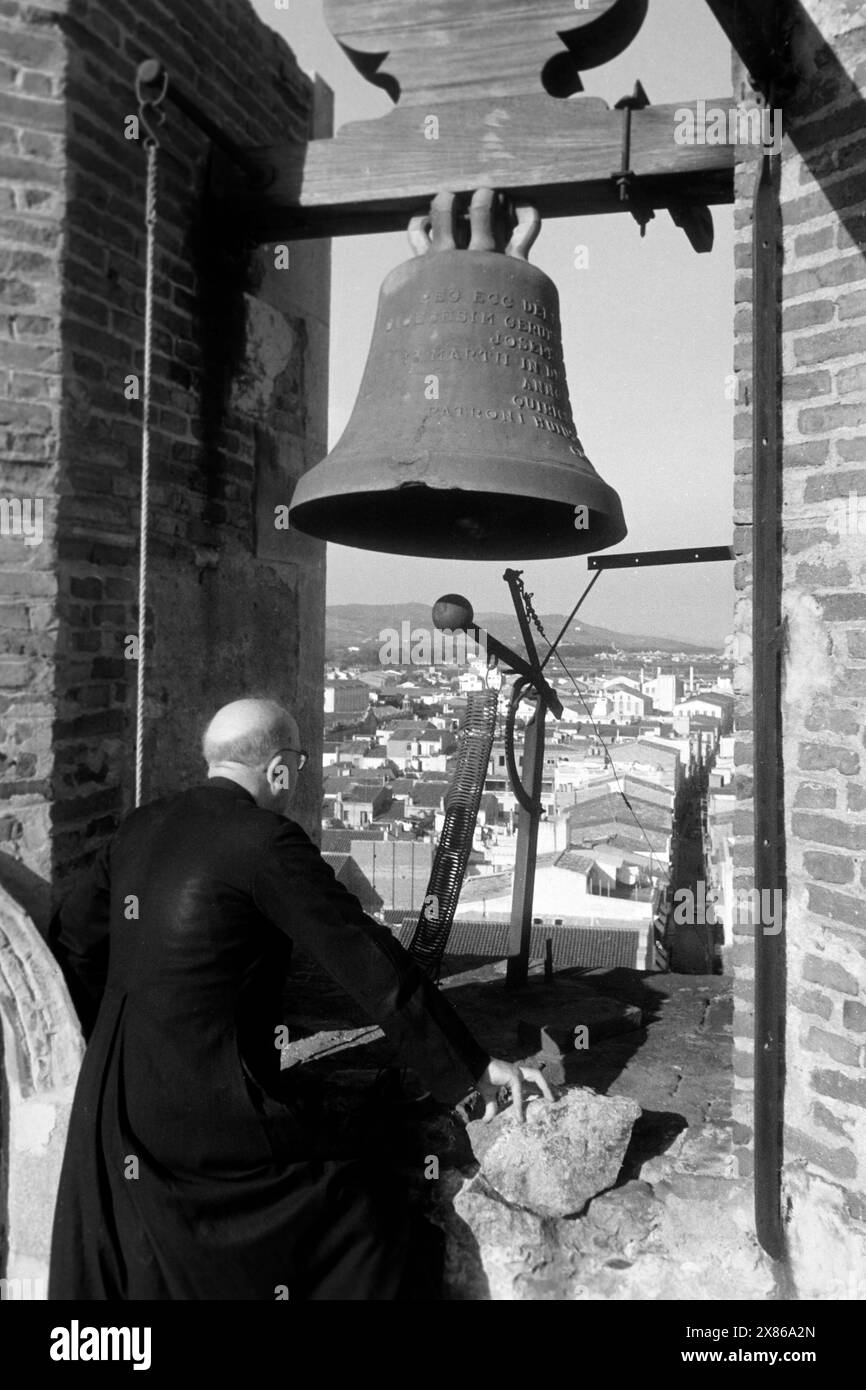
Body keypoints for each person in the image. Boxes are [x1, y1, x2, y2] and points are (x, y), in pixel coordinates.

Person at [48, 697, 551, 1300]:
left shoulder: (140, 826)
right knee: (365, 1220)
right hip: (210, 1115)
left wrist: (112, 1045)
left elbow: (74, 940)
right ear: (281, 770)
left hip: (114, 1111)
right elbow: (368, 964)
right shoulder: (265, 842)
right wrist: (470, 1067)